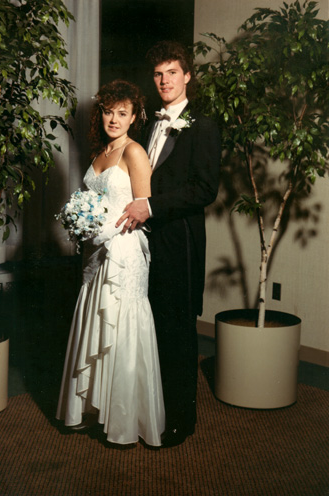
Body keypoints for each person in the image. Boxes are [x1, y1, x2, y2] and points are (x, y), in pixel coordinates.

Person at [116, 41, 221, 447]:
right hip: (144, 244)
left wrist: (151, 208)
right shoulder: (147, 124)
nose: (164, 81)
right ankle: (149, 411)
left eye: (172, 72)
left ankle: (180, 420)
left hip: (179, 243)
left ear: (188, 75)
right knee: (148, 327)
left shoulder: (204, 124)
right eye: (159, 74)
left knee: (177, 331)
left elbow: (204, 189)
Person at [56, 79, 165, 447]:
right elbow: (91, 199)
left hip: (124, 252)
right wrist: (80, 221)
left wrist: (104, 227)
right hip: (96, 253)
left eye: (122, 113)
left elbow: (143, 207)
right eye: (108, 112)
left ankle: (124, 419)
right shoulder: (99, 153)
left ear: (135, 117)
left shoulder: (134, 152)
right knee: (96, 320)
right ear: (100, 114)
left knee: (122, 325)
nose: (114, 119)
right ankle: (91, 408)